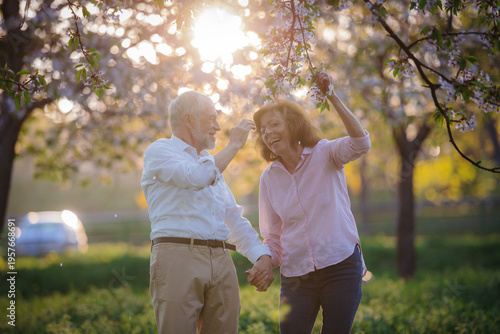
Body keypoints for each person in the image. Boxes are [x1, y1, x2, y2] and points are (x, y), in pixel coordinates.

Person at [141, 91, 274, 334]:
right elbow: (196, 178)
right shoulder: (160, 151)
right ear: (189, 120)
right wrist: (234, 144)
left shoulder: (211, 164)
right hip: (177, 255)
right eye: (211, 118)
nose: (218, 127)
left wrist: (262, 257)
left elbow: (232, 218)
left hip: (221, 259)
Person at [250, 72, 371, 333]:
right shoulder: (269, 179)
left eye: (274, 125)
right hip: (296, 276)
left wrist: (333, 97)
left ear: (293, 125)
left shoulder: (326, 154)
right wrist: (263, 261)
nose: (268, 133)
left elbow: (360, 143)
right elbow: (272, 239)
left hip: (340, 265)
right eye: (263, 130)